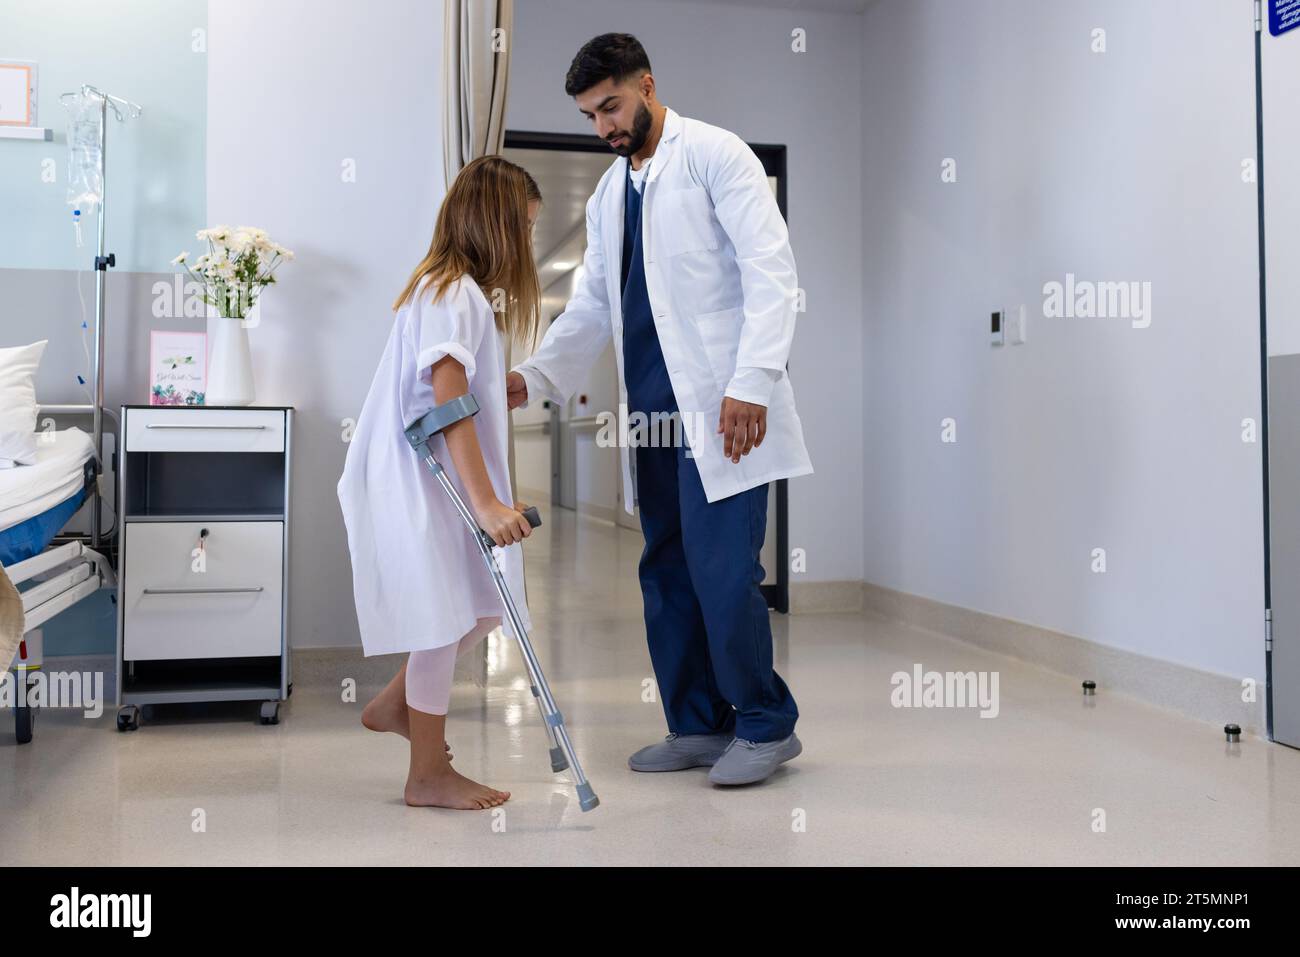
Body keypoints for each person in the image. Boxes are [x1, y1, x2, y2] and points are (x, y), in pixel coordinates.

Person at [508, 34, 814, 786]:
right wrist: (533, 377)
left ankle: (766, 724)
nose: (604, 127)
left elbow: (772, 271)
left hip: (722, 411)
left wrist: (752, 381)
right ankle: (698, 724)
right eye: (590, 116)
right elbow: (589, 309)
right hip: (650, 418)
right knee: (666, 573)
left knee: (722, 571)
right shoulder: (613, 195)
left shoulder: (717, 156)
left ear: (646, 84)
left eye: (611, 106)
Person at [337, 155, 543, 809]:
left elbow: (451, 386)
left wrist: (495, 391)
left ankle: (397, 704)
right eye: (528, 228)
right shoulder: (453, 290)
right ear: (500, 224)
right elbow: (447, 390)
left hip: (420, 470)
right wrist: (485, 503)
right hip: (415, 476)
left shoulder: (450, 289)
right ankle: (427, 775)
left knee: (481, 604)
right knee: (443, 614)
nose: (528, 245)